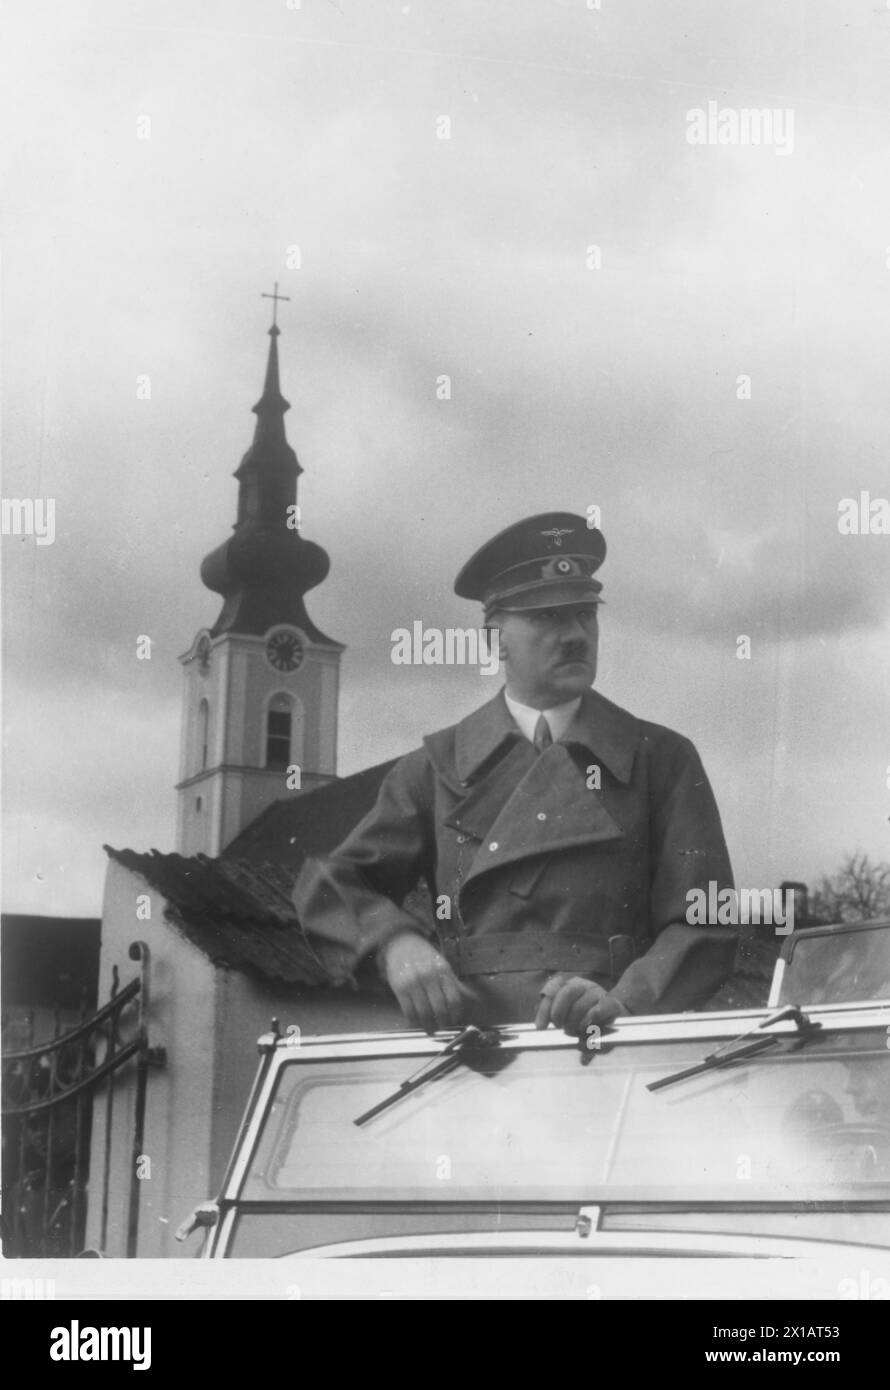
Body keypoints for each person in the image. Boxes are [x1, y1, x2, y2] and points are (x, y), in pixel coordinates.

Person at [294, 512, 737, 1036]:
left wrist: (625, 1003)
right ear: (496, 639)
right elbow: (329, 882)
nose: (575, 635)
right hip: (475, 1059)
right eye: (547, 617)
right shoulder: (436, 768)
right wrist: (395, 944)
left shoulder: (660, 760)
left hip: (609, 1055)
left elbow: (706, 919)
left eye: (584, 614)